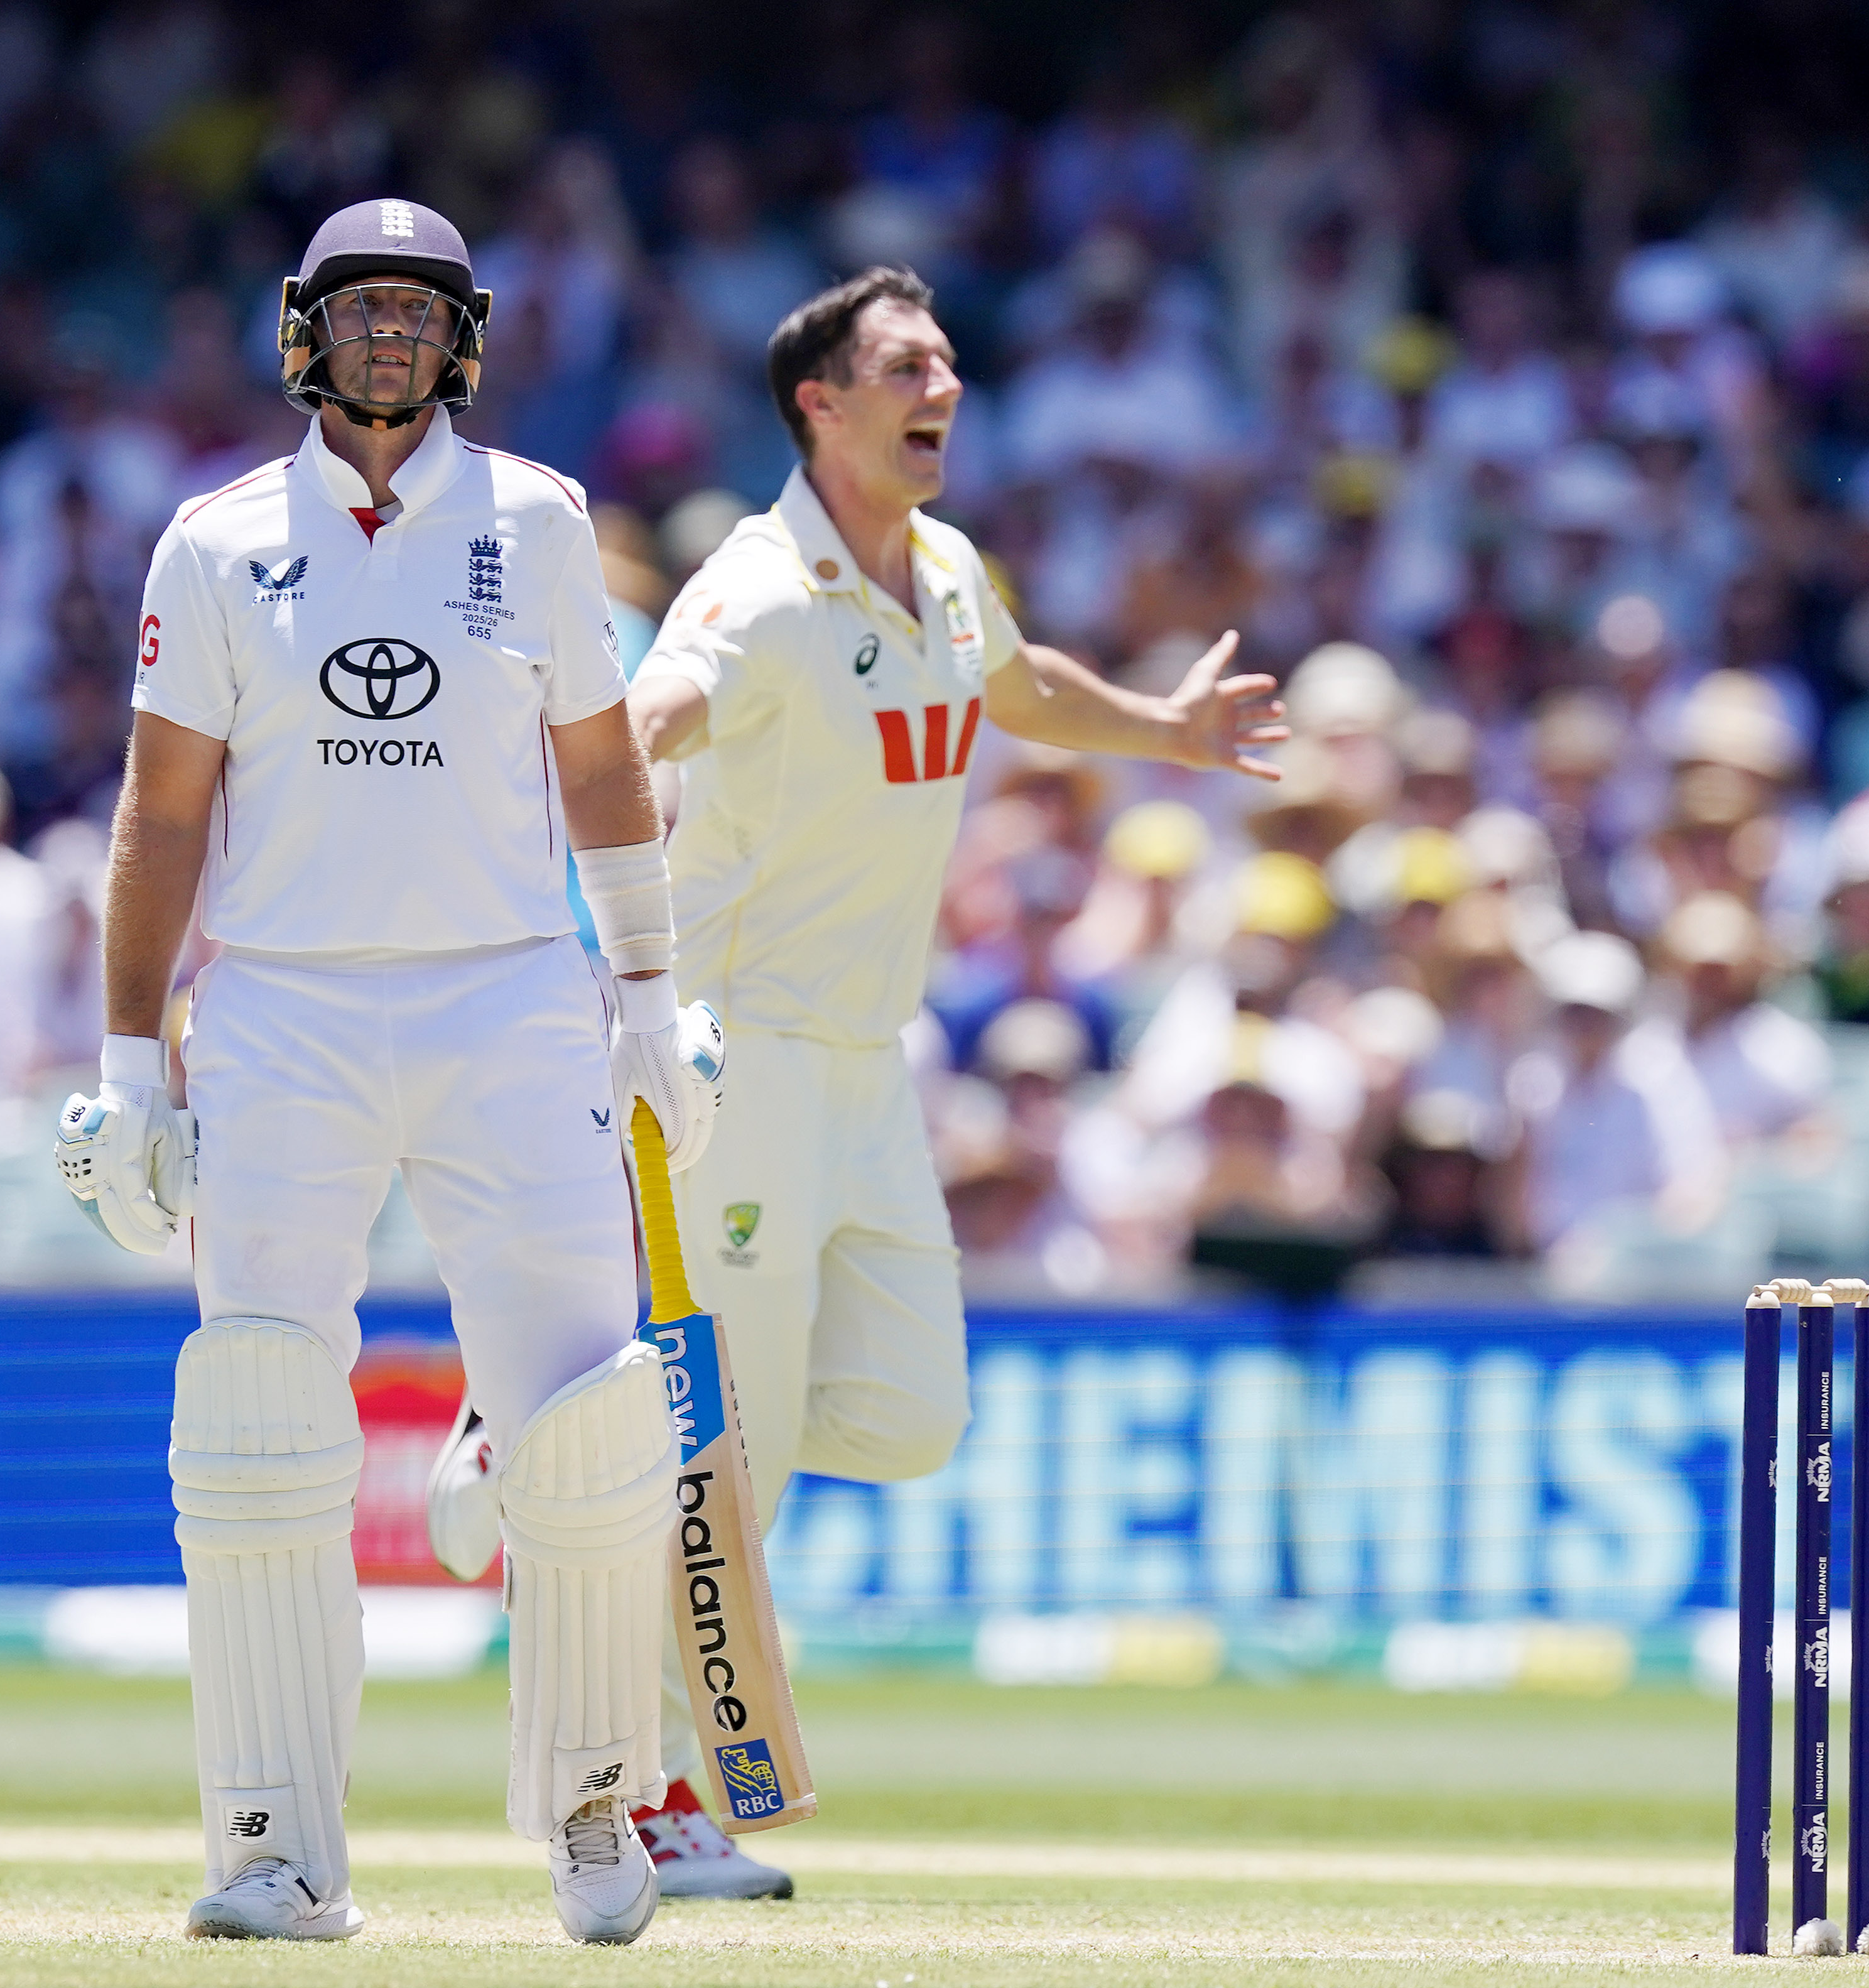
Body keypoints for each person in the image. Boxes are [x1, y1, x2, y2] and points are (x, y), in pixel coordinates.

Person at [440, 266, 1282, 1896]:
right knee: (721, 1455)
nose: (944, 382)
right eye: (907, 361)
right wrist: (564, 742)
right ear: (818, 402)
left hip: (868, 1062)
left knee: (906, 1412)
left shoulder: (950, 569)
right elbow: (662, 705)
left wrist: (1168, 734)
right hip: (734, 1052)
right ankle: (658, 1793)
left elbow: (1015, 682)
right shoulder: (756, 589)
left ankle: (563, 1418)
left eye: (951, 359)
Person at [54, 198, 720, 1948]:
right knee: (259, 1415)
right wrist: (135, 1059)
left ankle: (593, 1809)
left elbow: (599, 772)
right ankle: (277, 1846)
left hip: (509, 998)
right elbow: (164, 812)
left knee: (588, 1416)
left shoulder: (542, 522)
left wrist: (650, 990)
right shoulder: (214, 541)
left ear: (465, 337)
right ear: (307, 330)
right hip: (280, 1007)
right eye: (365, 312)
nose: (392, 340)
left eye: (421, 314)